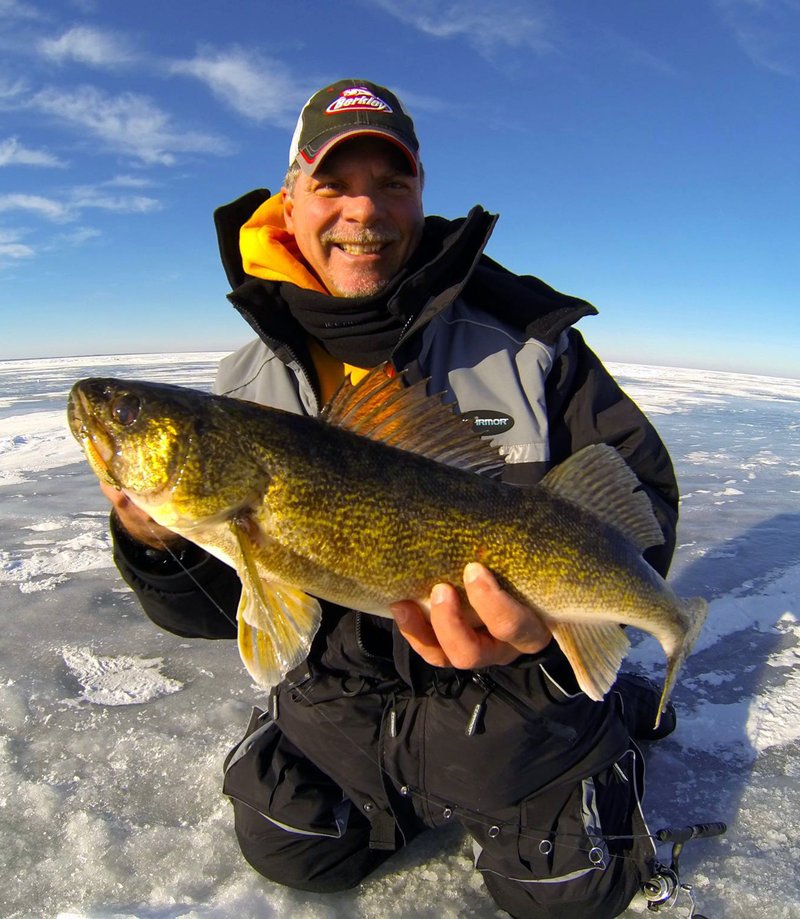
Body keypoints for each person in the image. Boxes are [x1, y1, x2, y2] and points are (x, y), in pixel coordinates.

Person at [103, 79, 680, 919]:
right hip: (344, 712)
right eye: (334, 184)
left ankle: (607, 726)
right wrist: (157, 544)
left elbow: (640, 499)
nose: (362, 212)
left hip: (514, 710)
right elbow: (217, 606)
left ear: (421, 194)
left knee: (567, 895)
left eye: (391, 183)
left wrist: (560, 638)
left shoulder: (530, 340)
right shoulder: (243, 389)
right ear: (291, 196)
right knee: (290, 845)